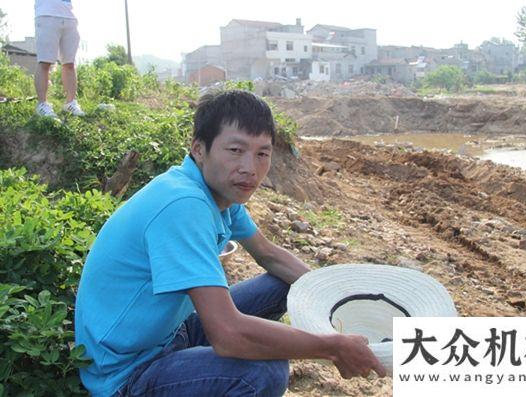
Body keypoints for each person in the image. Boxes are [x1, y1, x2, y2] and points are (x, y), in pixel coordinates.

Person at [75, 91, 386, 397]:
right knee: (261, 372)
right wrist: (332, 348)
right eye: (235, 150)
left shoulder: (220, 192)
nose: (249, 168)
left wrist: (339, 298)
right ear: (199, 149)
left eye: (262, 154)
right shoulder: (183, 205)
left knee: (288, 284)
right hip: (128, 372)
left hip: (171, 331)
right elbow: (228, 336)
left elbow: (270, 256)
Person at [34, 0, 85, 118]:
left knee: (69, 63)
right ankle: (42, 104)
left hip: (69, 17)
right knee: (45, 62)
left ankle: (70, 103)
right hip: (46, 15)